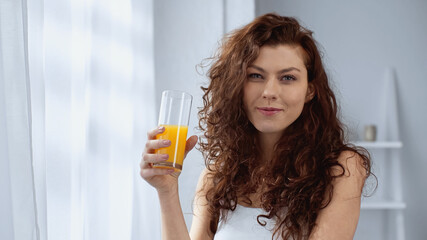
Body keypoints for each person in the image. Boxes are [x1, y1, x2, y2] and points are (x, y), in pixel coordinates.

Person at [140, 13, 372, 240]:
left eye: (288, 78)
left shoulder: (341, 168)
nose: (269, 92)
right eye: (256, 76)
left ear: (310, 90)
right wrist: (167, 191)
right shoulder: (216, 178)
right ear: (237, 86)